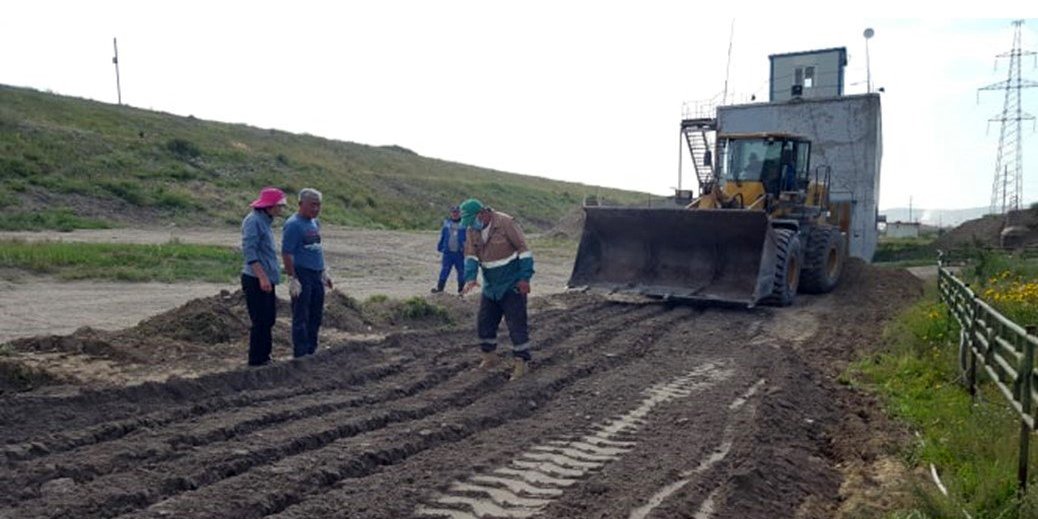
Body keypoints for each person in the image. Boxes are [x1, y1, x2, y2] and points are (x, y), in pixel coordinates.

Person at [459, 198, 535, 381]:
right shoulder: (472, 229)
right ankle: (489, 358)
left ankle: (521, 364)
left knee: (516, 325)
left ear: (482, 213)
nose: (471, 225)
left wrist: (525, 277)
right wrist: (470, 278)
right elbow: (471, 256)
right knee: (485, 323)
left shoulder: (505, 223)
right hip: (491, 286)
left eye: (472, 220)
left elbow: (524, 250)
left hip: (512, 284)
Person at [282, 188, 333, 358]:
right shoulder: (293, 225)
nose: (316, 209)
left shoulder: (315, 223)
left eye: (319, 205)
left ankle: (312, 349)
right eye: (313, 205)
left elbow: (317, 248)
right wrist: (292, 278)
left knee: (315, 313)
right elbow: (287, 253)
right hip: (302, 273)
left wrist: (324, 272)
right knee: (301, 315)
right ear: (300, 204)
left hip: (316, 273)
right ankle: (301, 353)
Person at [241, 186, 287, 367]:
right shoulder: (253, 221)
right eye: (279, 205)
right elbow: (249, 251)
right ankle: (256, 360)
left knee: (268, 319)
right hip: (255, 279)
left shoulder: (265, 221)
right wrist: (262, 277)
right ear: (269, 206)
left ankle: (265, 357)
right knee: (260, 320)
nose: (281, 209)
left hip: (266, 278)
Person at [433, 206, 466, 294]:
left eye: (456, 212)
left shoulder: (464, 224)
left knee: (461, 272)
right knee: (445, 270)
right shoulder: (446, 223)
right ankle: (440, 289)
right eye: (453, 212)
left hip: (460, 253)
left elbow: (469, 238)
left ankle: (461, 291)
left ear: (460, 213)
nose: (455, 214)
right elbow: (443, 235)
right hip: (448, 252)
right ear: (451, 213)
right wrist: (440, 246)